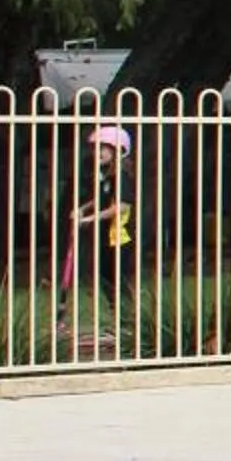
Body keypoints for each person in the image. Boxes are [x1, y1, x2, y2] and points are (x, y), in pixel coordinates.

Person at [65, 124, 134, 353]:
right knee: (106, 281)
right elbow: (102, 199)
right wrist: (83, 209)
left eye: (103, 148)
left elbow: (121, 206)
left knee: (117, 282)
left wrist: (91, 218)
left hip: (119, 237)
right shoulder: (107, 176)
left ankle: (127, 324)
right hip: (106, 238)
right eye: (96, 149)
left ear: (118, 150)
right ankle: (120, 323)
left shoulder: (122, 176)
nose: (98, 153)